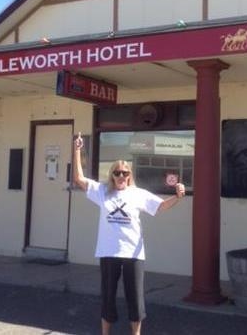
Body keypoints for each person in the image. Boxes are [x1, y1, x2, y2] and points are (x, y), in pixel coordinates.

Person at [72, 132, 186, 335]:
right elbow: (79, 178)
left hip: (133, 255)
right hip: (109, 253)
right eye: (117, 173)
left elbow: (159, 207)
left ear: (130, 175)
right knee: (108, 296)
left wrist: (177, 197)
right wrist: (77, 149)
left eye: (125, 173)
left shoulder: (138, 194)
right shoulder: (102, 192)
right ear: (112, 175)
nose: (121, 176)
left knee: (135, 299)